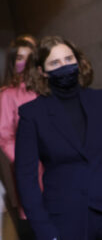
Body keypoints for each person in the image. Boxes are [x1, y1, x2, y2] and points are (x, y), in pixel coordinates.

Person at [15, 36, 102, 240]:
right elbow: (26, 178)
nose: (64, 66)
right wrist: (44, 230)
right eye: (55, 63)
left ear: (78, 61)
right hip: (67, 220)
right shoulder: (31, 114)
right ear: (42, 71)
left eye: (69, 59)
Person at [0, 36, 40, 239]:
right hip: (29, 167)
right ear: (12, 62)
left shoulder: (45, 88)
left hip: (57, 164)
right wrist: (24, 160)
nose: (24, 62)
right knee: (38, 221)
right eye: (19, 58)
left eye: (29, 57)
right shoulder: (7, 95)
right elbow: (5, 135)